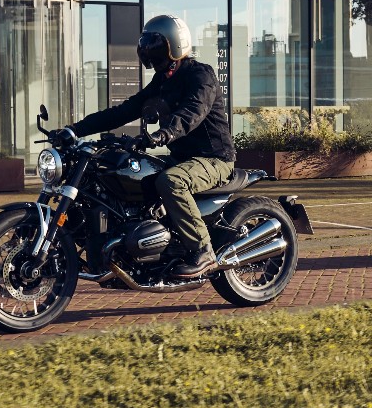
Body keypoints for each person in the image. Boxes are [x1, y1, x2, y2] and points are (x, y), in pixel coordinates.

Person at [49, 14, 235, 278]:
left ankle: (204, 251)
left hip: (214, 159)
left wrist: (163, 135)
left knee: (172, 182)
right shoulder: (162, 82)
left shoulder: (201, 75)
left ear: (175, 45)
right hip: (182, 158)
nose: (149, 51)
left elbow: (193, 113)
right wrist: (73, 130)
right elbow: (123, 111)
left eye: (155, 45)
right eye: (147, 45)